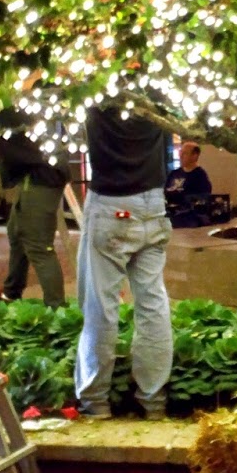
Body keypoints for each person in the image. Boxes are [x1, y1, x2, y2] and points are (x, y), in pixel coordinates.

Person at [74, 104, 173, 419]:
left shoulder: (97, 87)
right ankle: (153, 399)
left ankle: (95, 401)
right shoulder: (156, 89)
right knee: (153, 303)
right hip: (154, 203)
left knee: (100, 305)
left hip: (110, 204)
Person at [0, 112, 67, 306]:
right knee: (16, 233)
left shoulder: (3, 117)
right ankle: (11, 292)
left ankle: (56, 306)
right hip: (34, 175)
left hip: (42, 177)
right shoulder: (4, 118)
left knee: (39, 246)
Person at [165, 140, 212, 228]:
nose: (181, 156)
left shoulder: (200, 175)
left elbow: (203, 198)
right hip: (171, 214)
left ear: (194, 156)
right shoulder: (174, 174)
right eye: (180, 153)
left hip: (188, 218)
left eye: (185, 153)